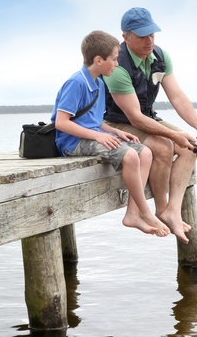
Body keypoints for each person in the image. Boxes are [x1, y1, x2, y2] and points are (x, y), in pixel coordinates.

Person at [103, 8, 197, 244]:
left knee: (191, 146)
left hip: (147, 117)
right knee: (164, 146)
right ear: (125, 37)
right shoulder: (118, 67)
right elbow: (134, 118)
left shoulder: (161, 56)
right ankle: (160, 207)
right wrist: (174, 135)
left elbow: (177, 96)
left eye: (152, 34)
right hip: (117, 122)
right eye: (142, 36)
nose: (149, 41)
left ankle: (171, 211)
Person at [51, 30, 170, 238]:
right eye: (114, 59)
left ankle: (133, 213)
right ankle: (145, 212)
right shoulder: (77, 83)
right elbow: (61, 123)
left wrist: (115, 132)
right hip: (73, 142)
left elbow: (96, 122)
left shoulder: (98, 82)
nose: (117, 64)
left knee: (145, 153)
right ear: (98, 60)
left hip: (93, 135)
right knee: (130, 156)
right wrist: (98, 136)